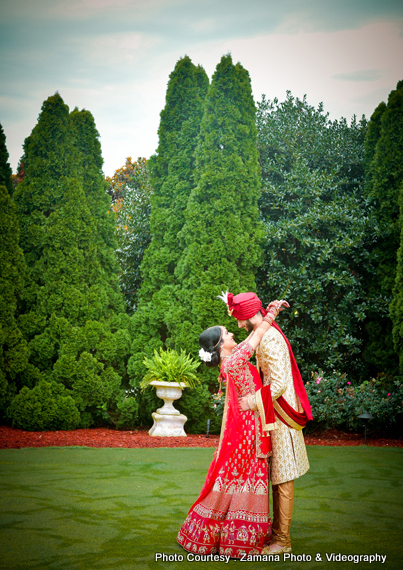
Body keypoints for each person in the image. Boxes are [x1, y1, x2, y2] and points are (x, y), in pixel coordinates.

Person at [177, 302, 287, 559]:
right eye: (227, 334)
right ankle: (240, 540)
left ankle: (217, 533)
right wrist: (272, 312)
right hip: (249, 431)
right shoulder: (234, 361)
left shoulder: (229, 361)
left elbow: (251, 336)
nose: (232, 335)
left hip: (249, 425)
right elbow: (257, 334)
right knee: (245, 477)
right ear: (219, 345)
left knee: (235, 478)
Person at [222, 291, 312, 555]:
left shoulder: (269, 339)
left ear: (249, 314)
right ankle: (276, 535)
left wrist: (251, 401)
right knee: (277, 476)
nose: (238, 326)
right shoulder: (267, 332)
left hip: (281, 415)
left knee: (283, 477)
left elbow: (280, 384)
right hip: (273, 413)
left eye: (239, 320)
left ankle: (283, 542)